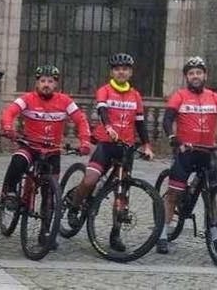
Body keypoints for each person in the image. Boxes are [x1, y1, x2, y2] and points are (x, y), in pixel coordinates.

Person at [156, 56, 217, 254]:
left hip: (207, 153)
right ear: (186, 77)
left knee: (211, 198)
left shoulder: (214, 97)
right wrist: (172, 136)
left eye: (198, 72)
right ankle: (162, 234)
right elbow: (168, 119)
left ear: (205, 75)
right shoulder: (179, 96)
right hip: (185, 152)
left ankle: (215, 238)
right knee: (173, 194)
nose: (195, 76)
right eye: (191, 73)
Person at [64, 53, 153, 252]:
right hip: (105, 144)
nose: (121, 71)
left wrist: (147, 144)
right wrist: (109, 127)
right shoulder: (104, 91)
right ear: (112, 72)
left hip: (126, 148)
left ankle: (115, 233)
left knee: (122, 194)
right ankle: (74, 206)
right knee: (89, 181)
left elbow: (140, 123)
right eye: (117, 68)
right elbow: (102, 111)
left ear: (130, 72)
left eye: (125, 69)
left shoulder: (135, 96)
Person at [0, 64, 91, 247]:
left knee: (50, 192)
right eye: (42, 81)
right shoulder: (27, 99)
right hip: (30, 146)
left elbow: (81, 120)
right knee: (18, 160)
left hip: (52, 151)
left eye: (50, 81)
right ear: (37, 83)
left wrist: (85, 142)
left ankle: (45, 231)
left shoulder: (65, 101)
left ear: (56, 84)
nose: (46, 84)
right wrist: (8, 128)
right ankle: (9, 192)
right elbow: (9, 113)